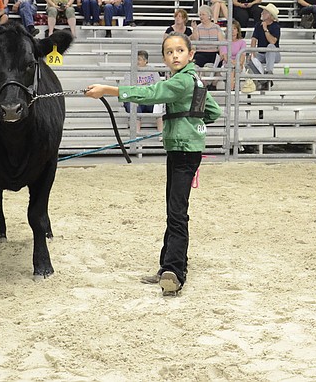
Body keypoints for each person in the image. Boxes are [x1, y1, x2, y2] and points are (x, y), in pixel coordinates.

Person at [84, 32, 222, 296]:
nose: (174, 56)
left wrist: (109, 90)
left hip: (183, 152)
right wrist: (193, 123)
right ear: (165, 57)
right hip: (181, 150)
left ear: (190, 54)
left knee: (177, 212)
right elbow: (213, 112)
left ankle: (175, 271)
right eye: (169, 52)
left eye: (180, 50)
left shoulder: (182, 81)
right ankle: (167, 266)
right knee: (174, 209)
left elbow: (150, 93)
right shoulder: (195, 79)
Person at [121, 50, 164, 135]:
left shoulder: (152, 70)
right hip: (136, 98)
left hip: (149, 98)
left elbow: (159, 85)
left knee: (160, 103)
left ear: (146, 61)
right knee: (132, 104)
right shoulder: (130, 71)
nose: (136, 62)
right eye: (135, 59)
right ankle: (136, 135)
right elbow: (126, 87)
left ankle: (161, 134)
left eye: (139, 59)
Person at [191, 5, 224, 88]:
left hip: (214, 53)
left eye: (203, 14)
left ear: (209, 16)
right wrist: (194, 29)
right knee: (196, 63)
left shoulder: (216, 27)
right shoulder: (198, 28)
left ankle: (213, 84)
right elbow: (195, 39)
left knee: (219, 62)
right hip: (201, 53)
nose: (201, 17)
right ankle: (201, 84)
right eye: (200, 15)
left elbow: (221, 42)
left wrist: (222, 53)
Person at [249, 3, 281, 88]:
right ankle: (263, 79)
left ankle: (268, 73)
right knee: (249, 59)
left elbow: (272, 41)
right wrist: (252, 52)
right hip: (261, 53)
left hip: (274, 54)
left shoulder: (275, 26)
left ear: (270, 16)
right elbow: (254, 39)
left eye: (265, 12)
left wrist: (265, 29)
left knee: (270, 47)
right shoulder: (257, 25)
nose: (262, 13)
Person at [220, 20, 247, 91]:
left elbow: (242, 58)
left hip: (239, 65)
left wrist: (236, 64)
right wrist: (233, 63)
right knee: (231, 68)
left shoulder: (242, 42)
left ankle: (231, 89)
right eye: (230, 29)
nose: (233, 31)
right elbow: (225, 58)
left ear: (238, 31)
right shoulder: (224, 42)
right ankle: (233, 87)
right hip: (227, 65)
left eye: (234, 29)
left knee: (235, 68)